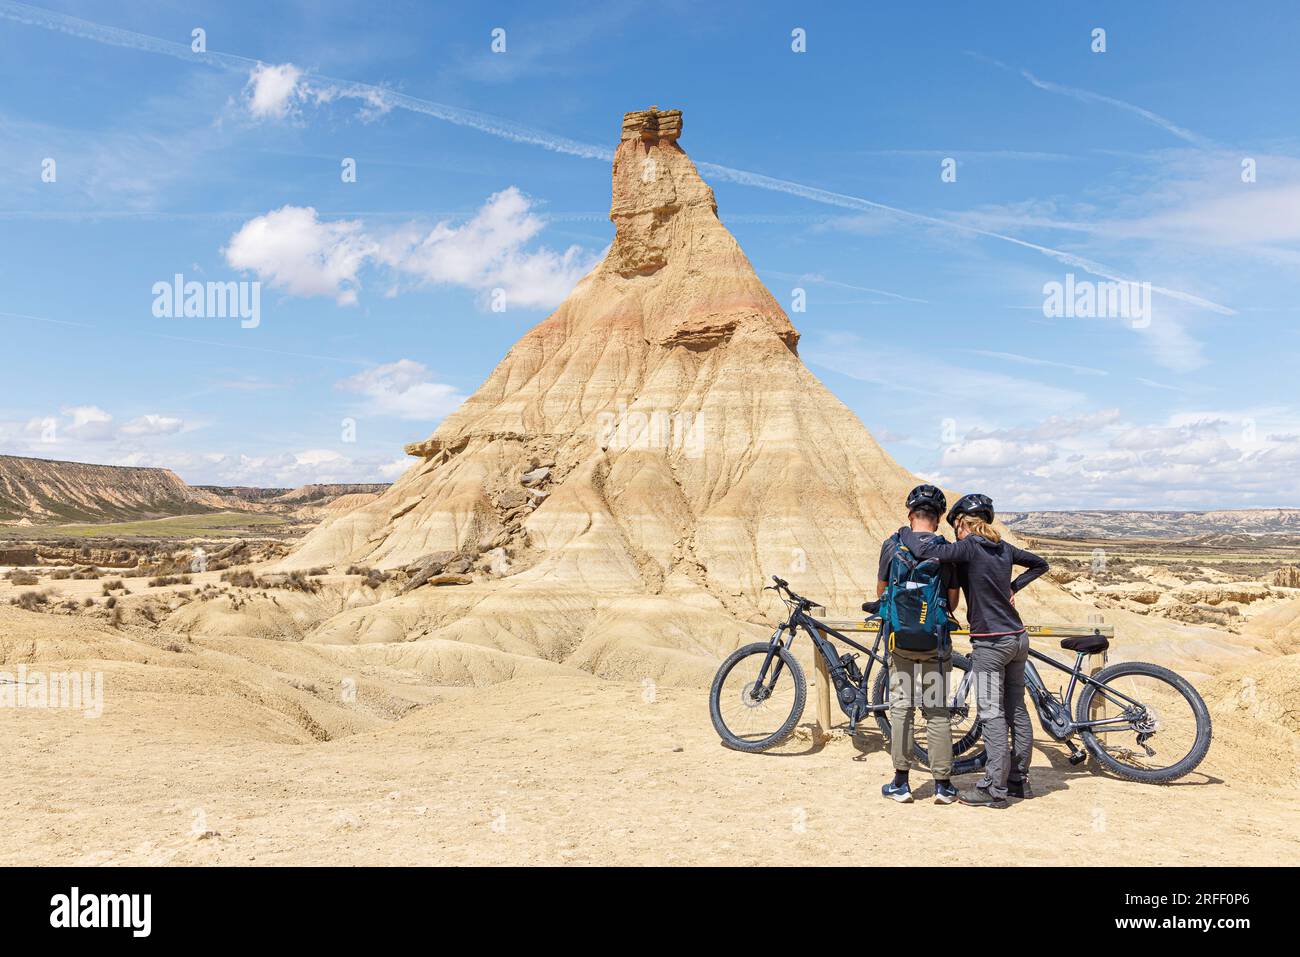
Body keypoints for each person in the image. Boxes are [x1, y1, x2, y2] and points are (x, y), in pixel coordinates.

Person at [898, 493, 1048, 808]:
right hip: (1018, 639)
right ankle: (1019, 780)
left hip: (991, 644)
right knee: (1016, 710)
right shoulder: (1004, 548)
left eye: (955, 527)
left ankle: (994, 788)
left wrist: (904, 533)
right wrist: (1013, 587)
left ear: (963, 524)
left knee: (992, 713)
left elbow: (924, 548)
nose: (955, 534)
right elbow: (1040, 564)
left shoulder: (969, 546)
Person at [876, 484, 963, 805]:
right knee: (937, 712)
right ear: (939, 519)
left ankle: (901, 783)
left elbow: (880, 592)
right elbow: (952, 602)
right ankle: (942, 785)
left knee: (901, 707)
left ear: (910, 515)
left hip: (898, 640)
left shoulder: (892, 546)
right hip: (935, 642)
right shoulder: (947, 551)